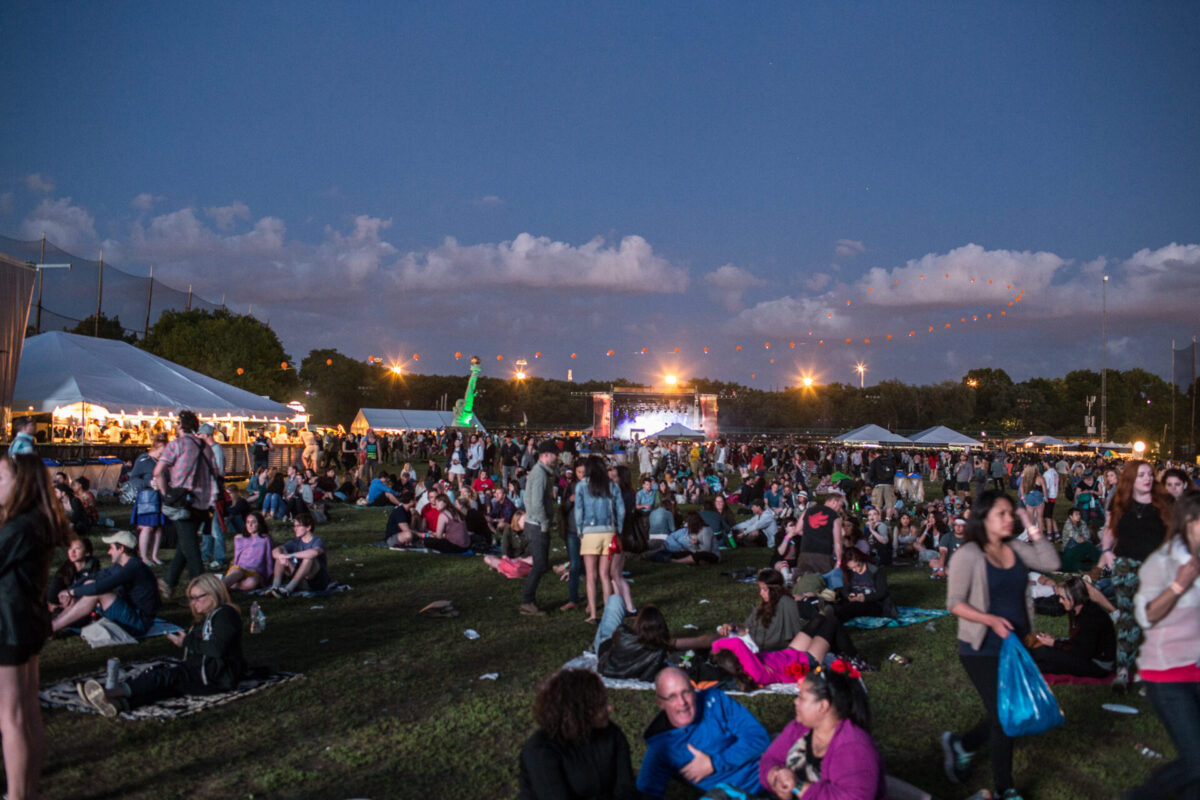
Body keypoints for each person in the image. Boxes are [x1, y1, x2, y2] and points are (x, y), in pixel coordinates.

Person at [941, 489, 1060, 800]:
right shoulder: (968, 554)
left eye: (1011, 513)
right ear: (984, 518)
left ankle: (962, 744)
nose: (1009, 519)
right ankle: (1005, 788)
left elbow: (1051, 561)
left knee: (1006, 712)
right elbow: (954, 603)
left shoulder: (1016, 547)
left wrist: (1030, 523)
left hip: (1016, 646)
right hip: (980, 647)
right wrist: (990, 620)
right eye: (1002, 514)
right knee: (1004, 716)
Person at [0, 452, 73, 800]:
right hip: (26, 623)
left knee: (11, 717)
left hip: (8, 626)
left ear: (22, 483)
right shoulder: (37, 521)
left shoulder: (19, 527)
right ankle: (26, 791)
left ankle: (17, 794)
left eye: (1, 478)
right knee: (28, 712)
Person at [76, 574, 245, 718]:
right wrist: (186, 642)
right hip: (205, 672)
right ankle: (119, 704)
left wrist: (186, 642)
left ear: (213, 594)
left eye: (198, 597)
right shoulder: (207, 618)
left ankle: (109, 692)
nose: (194, 603)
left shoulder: (225, 614)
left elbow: (216, 649)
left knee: (165, 676)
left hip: (216, 677)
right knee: (164, 684)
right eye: (191, 598)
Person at [1125, 489, 1200, 800]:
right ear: (1190, 521)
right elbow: (1146, 615)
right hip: (1168, 676)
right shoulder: (1164, 561)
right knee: (1197, 764)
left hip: (1195, 671)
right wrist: (1179, 585)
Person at [758, 660, 888, 800]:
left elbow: (853, 797)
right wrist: (775, 776)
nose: (796, 702)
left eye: (801, 697)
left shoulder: (854, 748)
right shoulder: (799, 728)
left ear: (823, 706)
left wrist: (798, 786)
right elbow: (770, 759)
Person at [637, 667, 770, 798]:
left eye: (685, 692)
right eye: (672, 697)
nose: (682, 702)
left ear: (693, 691)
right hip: (732, 795)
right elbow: (647, 792)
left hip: (770, 772)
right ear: (660, 703)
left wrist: (714, 763)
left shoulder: (715, 701)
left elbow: (759, 738)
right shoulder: (660, 747)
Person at [1099, 460, 1172, 688]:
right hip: (1126, 566)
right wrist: (1106, 551)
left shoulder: (1162, 502)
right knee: (1128, 619)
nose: (1147, 478)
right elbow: (1110, 530)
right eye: (1141, 475)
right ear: (1131, 478)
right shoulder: (1120, 502)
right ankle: (1123, 670)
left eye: (1149, 474)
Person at [517, 668, 637, 800]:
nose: (609, 708)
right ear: (579, 712)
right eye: (601, 706)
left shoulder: (611, 734)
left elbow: (625, 788)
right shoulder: (540, 750)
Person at [155, 410, 220, 598]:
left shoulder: (176, 445)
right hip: (203, 502)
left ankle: (203, 590)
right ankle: (168, 582)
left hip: (182, 501)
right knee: (186, 542)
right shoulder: (205, 446)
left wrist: (166, 493)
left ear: (180, 426)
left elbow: (158, 472)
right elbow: (215, 472)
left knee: (191, 548)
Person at [51, 530, 162, 636]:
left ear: (121, 549)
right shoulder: (121, 566)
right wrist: (69, 590)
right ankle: (53, 623)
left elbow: (99, 588)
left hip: (139, 624)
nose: (109, 552)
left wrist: (71, 592)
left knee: (98, 592)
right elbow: (94, 577)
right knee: (89, 582)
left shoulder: (133, 567)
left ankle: (51, 628)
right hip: (131, 613)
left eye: (111, 548)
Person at [1029, 576, 1115, 678]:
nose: (1060, 601)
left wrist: (1054, 643)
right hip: (1083, 653)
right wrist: (1054, 641)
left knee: (1045, 653)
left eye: (1063, 598)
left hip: (1097, 663)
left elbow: (1082, 653)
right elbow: (1077, 640)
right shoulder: (1075, 610)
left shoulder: (1092, 617)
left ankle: (1030, 667)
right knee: (1041, 650)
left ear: (1075, 597)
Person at [573, 455, 624, 623]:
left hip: (589, 532)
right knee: (605, 575)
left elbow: (578, 511)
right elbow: (621, 510)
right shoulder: (612, 486)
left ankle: (593, 614)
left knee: (591, 576)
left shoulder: (581, 486)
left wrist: (580, 531)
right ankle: (608, 614)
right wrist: (618, 529)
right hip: (608, 532)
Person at [519, 440, 559, 616]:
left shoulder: (540, 472)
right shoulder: (540, 474)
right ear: (546, 455)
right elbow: (536, 503)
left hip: (534, 523)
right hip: (536, 526)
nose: (557, 458)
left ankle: (529, 600)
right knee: (540, 564)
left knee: (540, 563)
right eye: (555, 454)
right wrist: (544, 523)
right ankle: (527, 601)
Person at [266, 513, 330, 598]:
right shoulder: (296, 542)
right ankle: (275, 588)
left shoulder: (317, 541)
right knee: (280, 556)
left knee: (309, 558)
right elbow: (275, 551)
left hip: (316, 583)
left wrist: (290, 555)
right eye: (294, 526)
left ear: (308, 527)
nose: (295, 529)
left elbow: (314, 552)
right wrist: (281, 556)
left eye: (298, 526)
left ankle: (288, 590)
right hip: (300, 581)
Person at [128, 433, 169, 565]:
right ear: (155, 447)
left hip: (161, 497)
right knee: (147, 527)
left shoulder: (164, 462)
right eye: (161, 452)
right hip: (147, 498)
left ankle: (155, 556)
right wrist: (148, 483)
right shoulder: (143, 460)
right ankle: (144, 557)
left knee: (159, 528)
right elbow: (133, 479)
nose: (163, 455)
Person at [45, 537, 100, 613]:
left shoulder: (94, 571)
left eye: (77, 548)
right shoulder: (65, 570)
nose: (72, 552)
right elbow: (52, 593)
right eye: (70, 548)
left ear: (87, 553)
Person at [222, 511, 274, 591]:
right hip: (240, 568)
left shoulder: (265, 539)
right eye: (248, 522)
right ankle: (218, 588)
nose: (250, 525)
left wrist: (269, 575)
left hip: (255, 571)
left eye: (253, 522)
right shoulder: (240, 538)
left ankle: (231, 585)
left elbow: (269, 558)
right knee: (237, 572)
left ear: (260, 524)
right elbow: (237, 556)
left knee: (252, 582)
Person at [798, 493, 844, 576]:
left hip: (805, 552)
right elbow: (837, 542)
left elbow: (797, 530)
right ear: (834, 502)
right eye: (840, 506)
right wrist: (839, 561)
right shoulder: (835, 516)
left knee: (804, 578)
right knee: (822, 580)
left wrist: (811, 535)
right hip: (823, 555)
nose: (840, 509)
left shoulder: (808, 510)